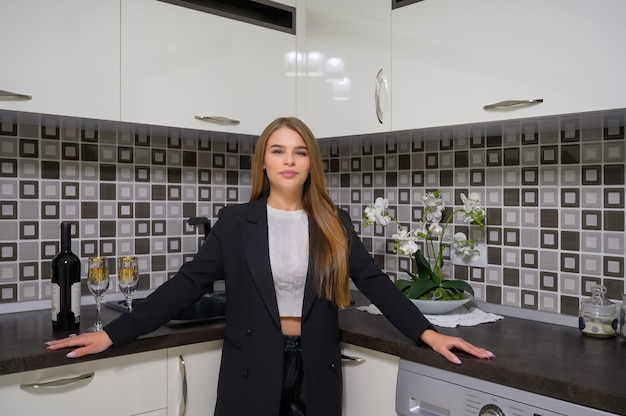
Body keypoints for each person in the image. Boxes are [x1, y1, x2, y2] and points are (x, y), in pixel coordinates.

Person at [47, 117, 495, 416]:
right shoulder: (235, 222)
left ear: (310, 163)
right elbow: (187, 285)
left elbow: (375, 282)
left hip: (317, 367)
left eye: (299, 152)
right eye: (278, 151)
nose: (289, 160)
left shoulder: (332, 222)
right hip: (253, 366)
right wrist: (111, 333)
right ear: (264, 160)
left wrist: (429, 334)